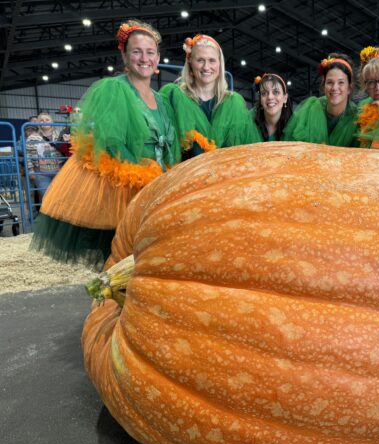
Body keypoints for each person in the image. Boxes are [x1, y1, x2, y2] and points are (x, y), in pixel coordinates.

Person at [31, 19, 180, 267]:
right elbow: (112, 145)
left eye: (150, 52)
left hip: (157, 187)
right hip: (125, 189)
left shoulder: (161, 100)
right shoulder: (114, 89)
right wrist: (144, 181)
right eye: (137, 51)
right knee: (122, 258)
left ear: (158, 57)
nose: (144, 58)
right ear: (124, 54)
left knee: (151, 258)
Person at [160, 34, 260, 156]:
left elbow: (246, 150)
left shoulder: (234, 103)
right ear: (190, 63)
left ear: (220, 64)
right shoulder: (174, 97)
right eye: (200, 60)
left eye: (212, 60)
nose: (206, 67)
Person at [283, 53, 358, 147]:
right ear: (323, 86)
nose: (334, 88)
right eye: (330, 82)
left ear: (349, 88)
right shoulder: (309, 109)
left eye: (341, 82)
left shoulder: (357, 118)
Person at [25, 113, 62, 201]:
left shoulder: (60, 135)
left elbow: (64, 152)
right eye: (41, 120)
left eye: (47, 119)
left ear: (52, 121)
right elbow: (28, 155)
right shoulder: (32, 138)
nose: (44, 122)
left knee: (60, 197)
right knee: (47, 198)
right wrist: (31, 171)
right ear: (38, 123)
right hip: (41, 173)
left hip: (59, 172)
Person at [252, 73, 293, 141]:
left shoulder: (295, 126)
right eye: (264, 93)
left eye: (276, 92)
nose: (270, 97)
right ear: (260, 99)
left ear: (285, 98)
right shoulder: (249, 123)